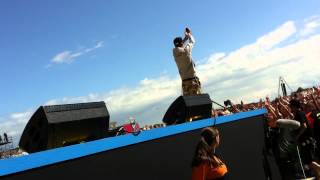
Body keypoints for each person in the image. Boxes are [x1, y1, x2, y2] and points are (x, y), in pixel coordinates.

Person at [173, 27, 201, 96]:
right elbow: (192, 41)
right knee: (197, 101)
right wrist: (189, 34)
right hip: (192, 82)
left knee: (189, 103)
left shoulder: (174, 53)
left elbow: (179, 46)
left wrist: (185, 37)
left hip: (184, 83)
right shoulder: (186, 51)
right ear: (182, 43)